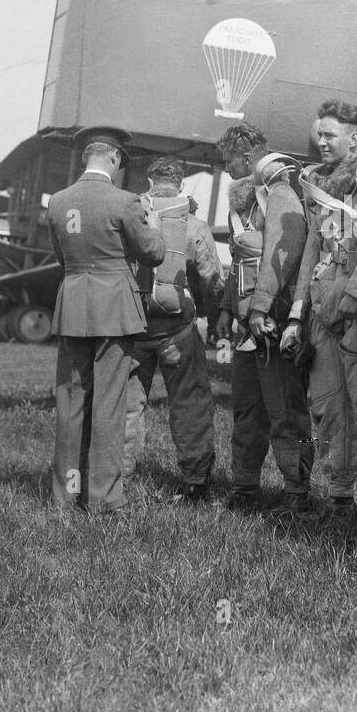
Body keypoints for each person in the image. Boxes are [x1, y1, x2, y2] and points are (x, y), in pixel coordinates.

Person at [281, 100, 357, 528]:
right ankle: (340, 497)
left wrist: (353, 297)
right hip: (320, 314)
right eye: (319, 134)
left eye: (330, 135)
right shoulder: (315, 184)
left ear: (355, 138)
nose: (321, 141)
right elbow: (313, 248)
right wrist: (296, 314)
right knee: (326, 409)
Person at [46, 126, 165, 514]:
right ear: (114, 159)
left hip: (74, 305)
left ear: (86, 157)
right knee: (110, 404)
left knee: (71, 401)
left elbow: (62, 259)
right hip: (114, 309)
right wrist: (156, 227)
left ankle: (66, 497)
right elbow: (152, 254)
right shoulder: (125, 201)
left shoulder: (58, 202)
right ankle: (103, 499)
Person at [214, 123, 313, 516]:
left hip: (269, 324)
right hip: (246, 329)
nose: (228, 169)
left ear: (249, 153)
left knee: (286, 413)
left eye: (231, 161)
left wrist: (260, 307)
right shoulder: (247, 203)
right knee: (247, 413)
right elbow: (241, 262)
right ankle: (244, 490)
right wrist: (226, 308)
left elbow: (284, 252)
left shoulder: (282, 193)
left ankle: (297, 496)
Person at [127, 156, 224, 503]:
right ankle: (196, 482)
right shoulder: (194, 225)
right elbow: (212, 280)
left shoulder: (130, 216)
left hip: (133, 328)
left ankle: (120, 479)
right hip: (177, 330)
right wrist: (215, 322)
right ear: (181, 184)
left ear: (150, 182)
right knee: (189, 403)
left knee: (128, 405)